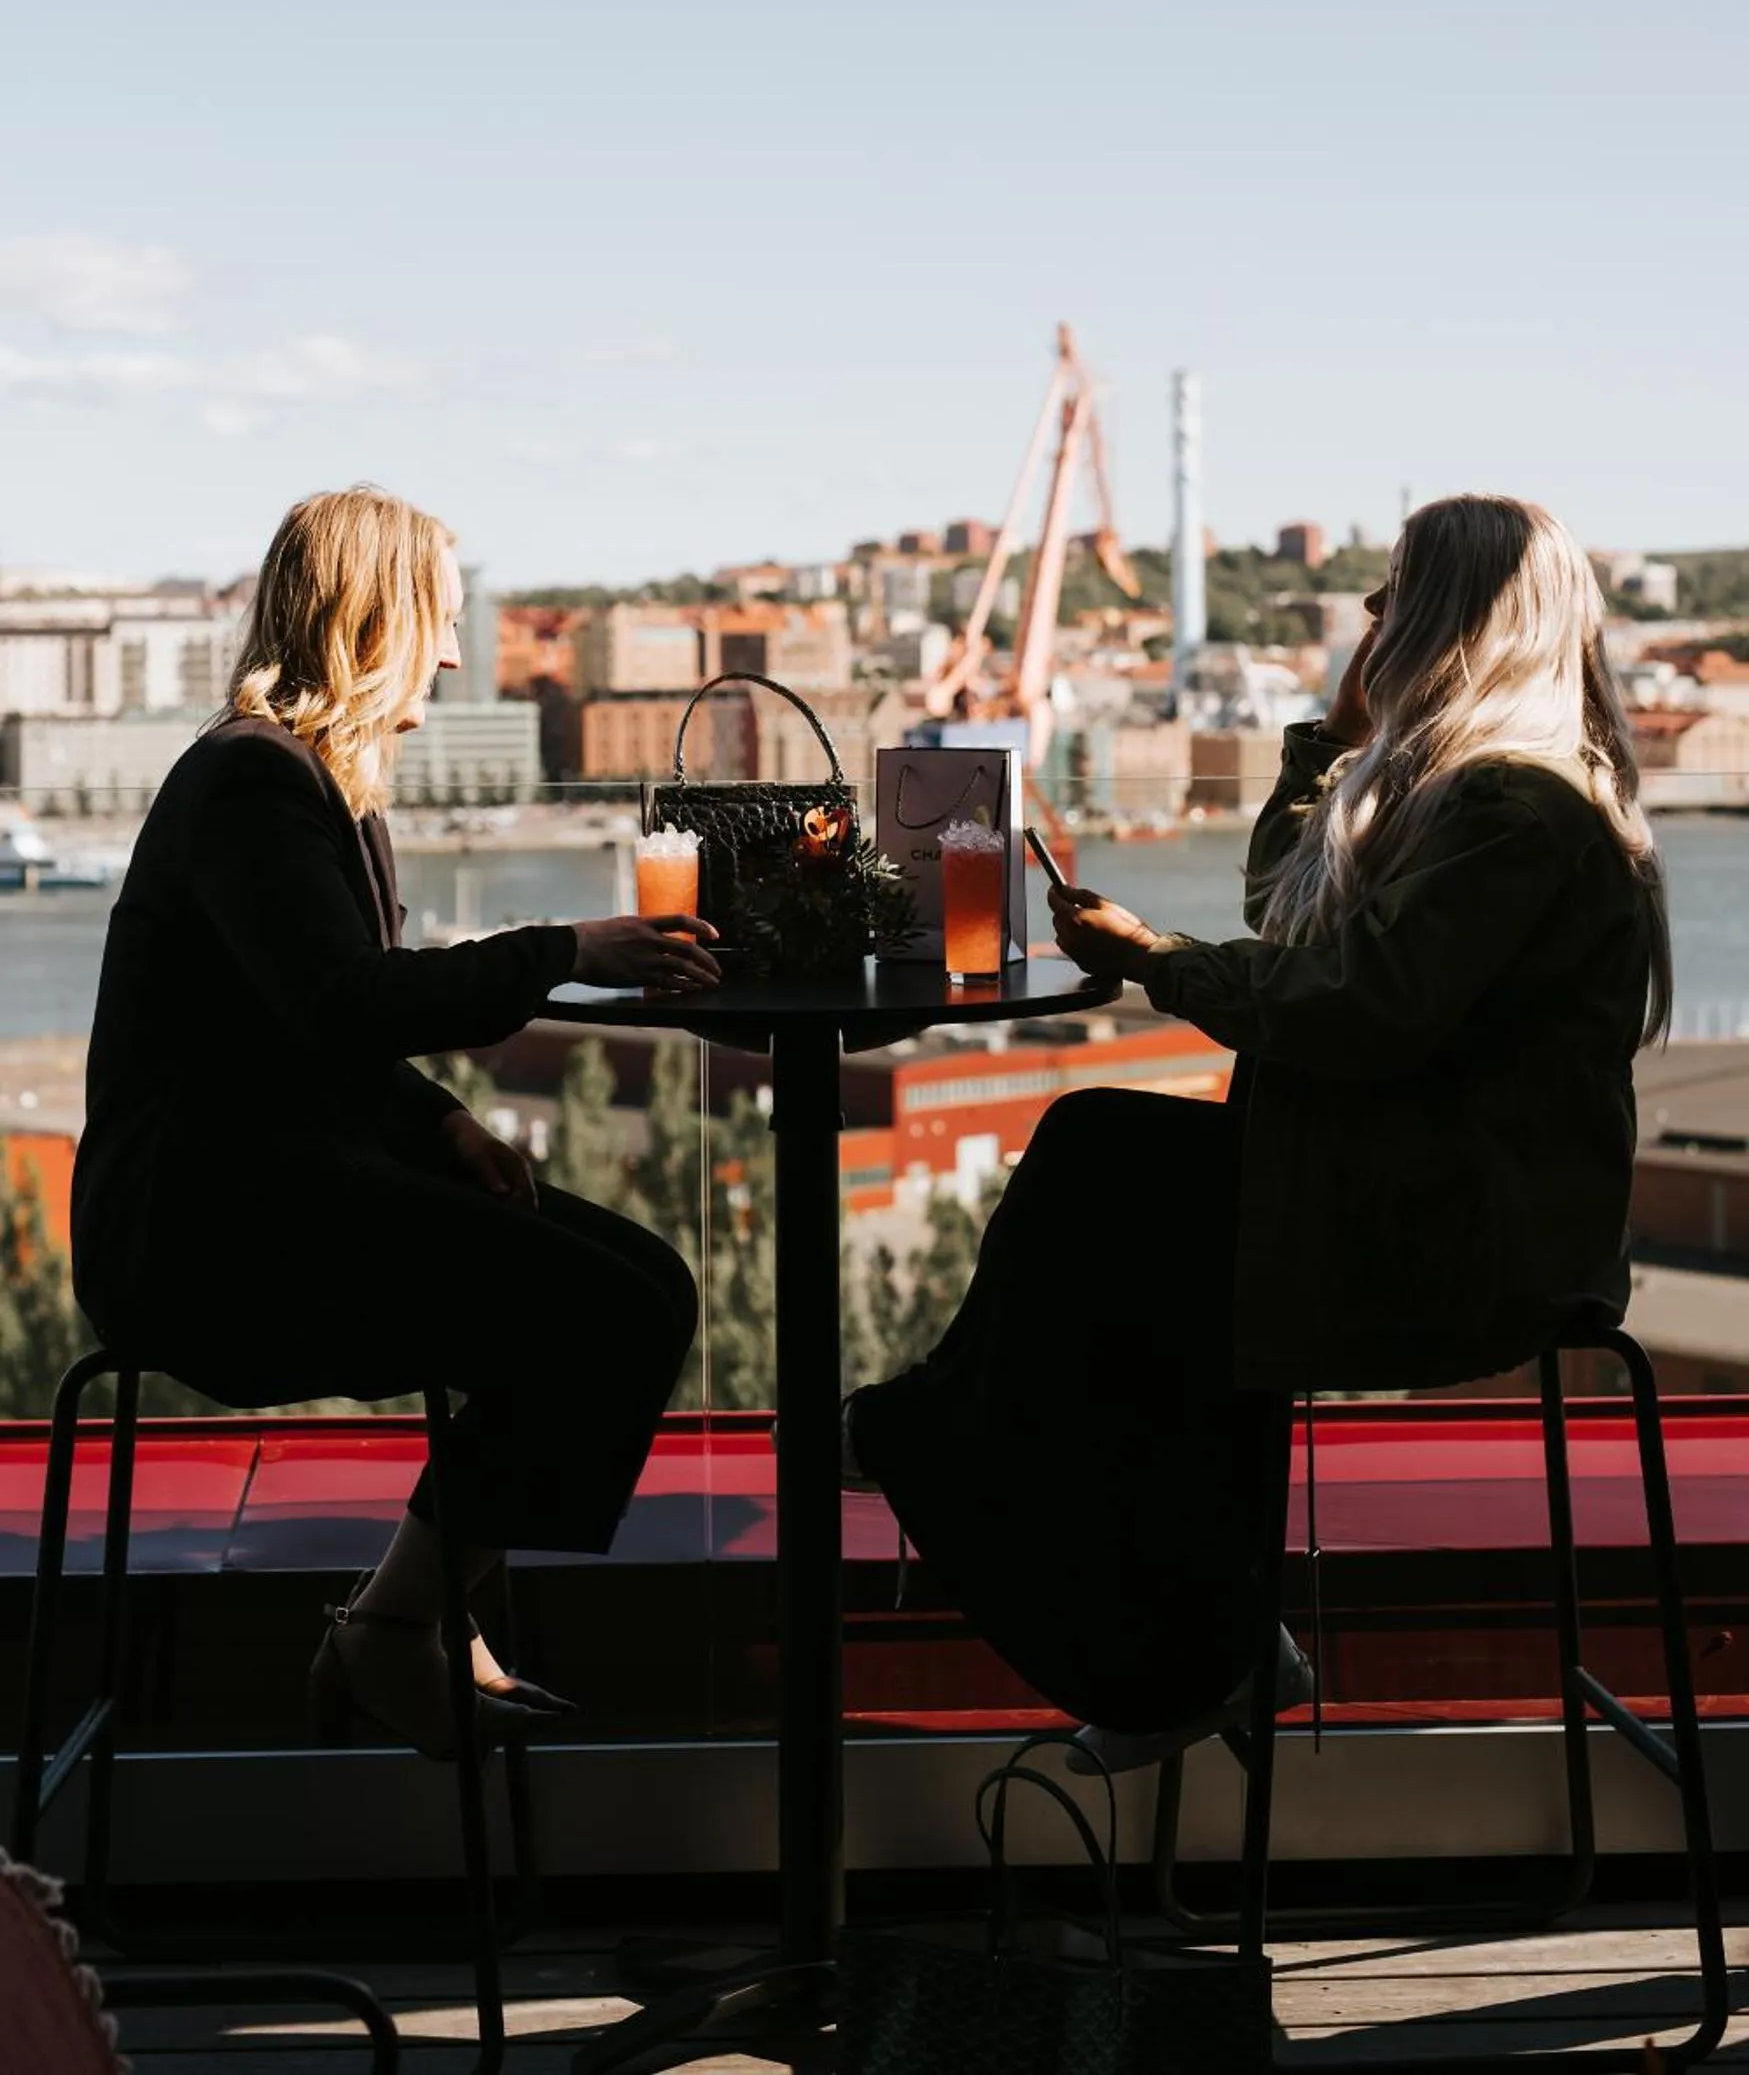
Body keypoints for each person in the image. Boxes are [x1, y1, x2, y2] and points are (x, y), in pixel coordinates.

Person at [847, 495, 1671, 1769]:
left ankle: (1131, 1591)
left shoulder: (1517, 807)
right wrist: (1331, 742)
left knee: (1104, 1166)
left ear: (1452, 617)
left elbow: (1358, 1012)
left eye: (1396, 589)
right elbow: (1299, 920)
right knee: (1116, 1180)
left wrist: (1159, 962)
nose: (1369, 611)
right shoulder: (1478, 790)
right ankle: (1183, 1625)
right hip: (1414, 1201)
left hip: (1460, 1236)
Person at [72, 487, 721, 1757]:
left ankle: (414, 1620)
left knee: (649, 1284)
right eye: (441, 619)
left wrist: (437, 1125)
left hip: (274, 1189)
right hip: (204, 1238)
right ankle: (397, 1625)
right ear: (377, 619)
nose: (455, 653)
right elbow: (341, 1002)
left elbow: (312, 1024)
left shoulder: (319, 786)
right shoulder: (251, 785)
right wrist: (569, 944)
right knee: (610, 1312)